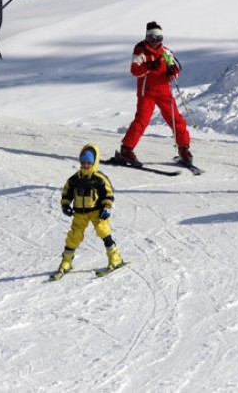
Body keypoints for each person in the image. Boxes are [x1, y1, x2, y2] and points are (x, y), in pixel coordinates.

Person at [116, 21, 193, 167]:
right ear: (146, 37)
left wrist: (173, 71)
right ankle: (126, 150)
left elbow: (176, 69)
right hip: (147, 93)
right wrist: (148, 66)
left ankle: (184, 150)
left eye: (159, 37)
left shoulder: (166, 52)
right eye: (152, 37)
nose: (155, 41)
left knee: (176, 120)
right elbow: (135, 70)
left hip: (164, 91)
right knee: (142, 121)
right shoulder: (140, 50)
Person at [52, 143, 124, 280]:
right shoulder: (74, 179)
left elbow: (108, 194)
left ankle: (115, 257)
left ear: (94, 163)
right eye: (83, 162)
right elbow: (66, 193)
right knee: (74, 236)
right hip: (79, 213)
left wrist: (106, 207)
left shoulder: (99, 178)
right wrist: (65, 205)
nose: (85, 165)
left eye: (88, 163)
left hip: (97, 211)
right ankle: (66, 261)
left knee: (103, 231)